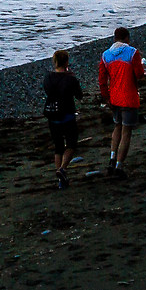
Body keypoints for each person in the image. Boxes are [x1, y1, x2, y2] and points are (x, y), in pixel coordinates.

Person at [99, 27, 145, 175]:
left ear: (114, 39)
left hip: (115, 97)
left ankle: (112, 158)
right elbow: (139, 74)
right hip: (129, 97)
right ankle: (119, 165)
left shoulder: (106, 55)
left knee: (117, 127)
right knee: (126, 131)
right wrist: (144, 69)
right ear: (127, 38)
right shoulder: (132, 52)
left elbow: (102, 80)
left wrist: (106, 97)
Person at [43, 49, 83, 189]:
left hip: (52, 114)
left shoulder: (48, 78)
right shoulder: (70, 78)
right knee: (71, 144)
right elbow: (79, 95)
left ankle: (61, 180)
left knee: (58, 147)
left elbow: (47, 91)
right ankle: (63, 168)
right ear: (66, 61)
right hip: (67, 115)